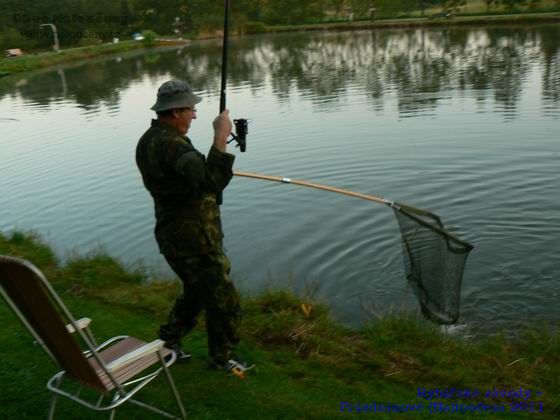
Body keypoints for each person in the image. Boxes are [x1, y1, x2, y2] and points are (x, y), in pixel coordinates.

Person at [136, 79, 252, 373]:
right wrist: (220, 137)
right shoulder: (171, 145)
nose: (195, 115)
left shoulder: (149, 139)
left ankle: (168, 343)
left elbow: (190, 182)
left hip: (175, 235)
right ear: (175, 112)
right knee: (224, 301)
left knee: (197, 292)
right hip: (193, 240)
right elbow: (210, 182)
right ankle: (222, 358)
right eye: (191, 109)